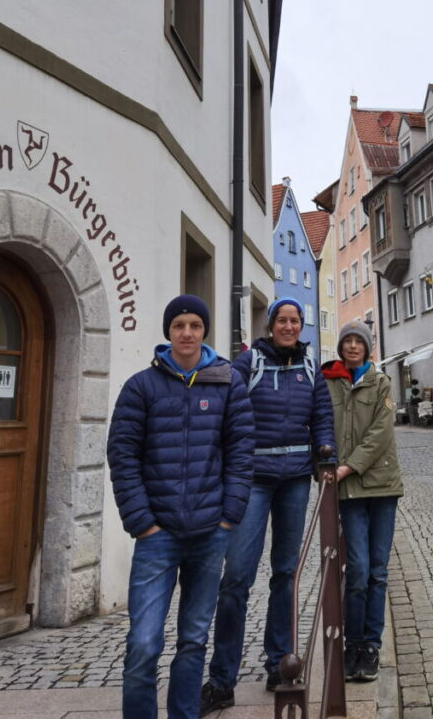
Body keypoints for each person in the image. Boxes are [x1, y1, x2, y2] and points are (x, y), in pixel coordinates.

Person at [107, 295, 255, 719]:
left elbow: (241, 453)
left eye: (194, 324)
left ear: (204, 330)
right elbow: (122, 454)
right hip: (158, 536)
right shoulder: (142, 386)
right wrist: (143, 523)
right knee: (143, 644)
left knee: (192, 640)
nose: (187, 332)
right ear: (168, 332)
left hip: (210, 533)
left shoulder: (228, 383)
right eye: (179, 325)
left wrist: (229, 517)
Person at [200, 297, 335, 715]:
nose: (289, 326)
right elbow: (227, 405)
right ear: (271, 324)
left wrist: (325, 455)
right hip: (254, 480)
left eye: (295, 321)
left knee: (286, 575)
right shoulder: (249, 363)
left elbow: (322, 415)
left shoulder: (311, 369)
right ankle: (222, 679)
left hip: (295, 479)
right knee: (237, 577)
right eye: (282, 320)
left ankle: (280, 666)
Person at [321, 320, 403, 683]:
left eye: (359, 341)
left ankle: (371, 645)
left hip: (381, 486)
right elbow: (321, 427)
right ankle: (352, 643)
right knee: (357, 571)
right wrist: (324, 464)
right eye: (347, 341)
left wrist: (347, 467)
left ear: (368, 347)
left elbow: (381, 433)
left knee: (378, 571)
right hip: (350, 491)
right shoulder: (328, 383)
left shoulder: (381, 381)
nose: (352, 346)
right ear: (341, 347)